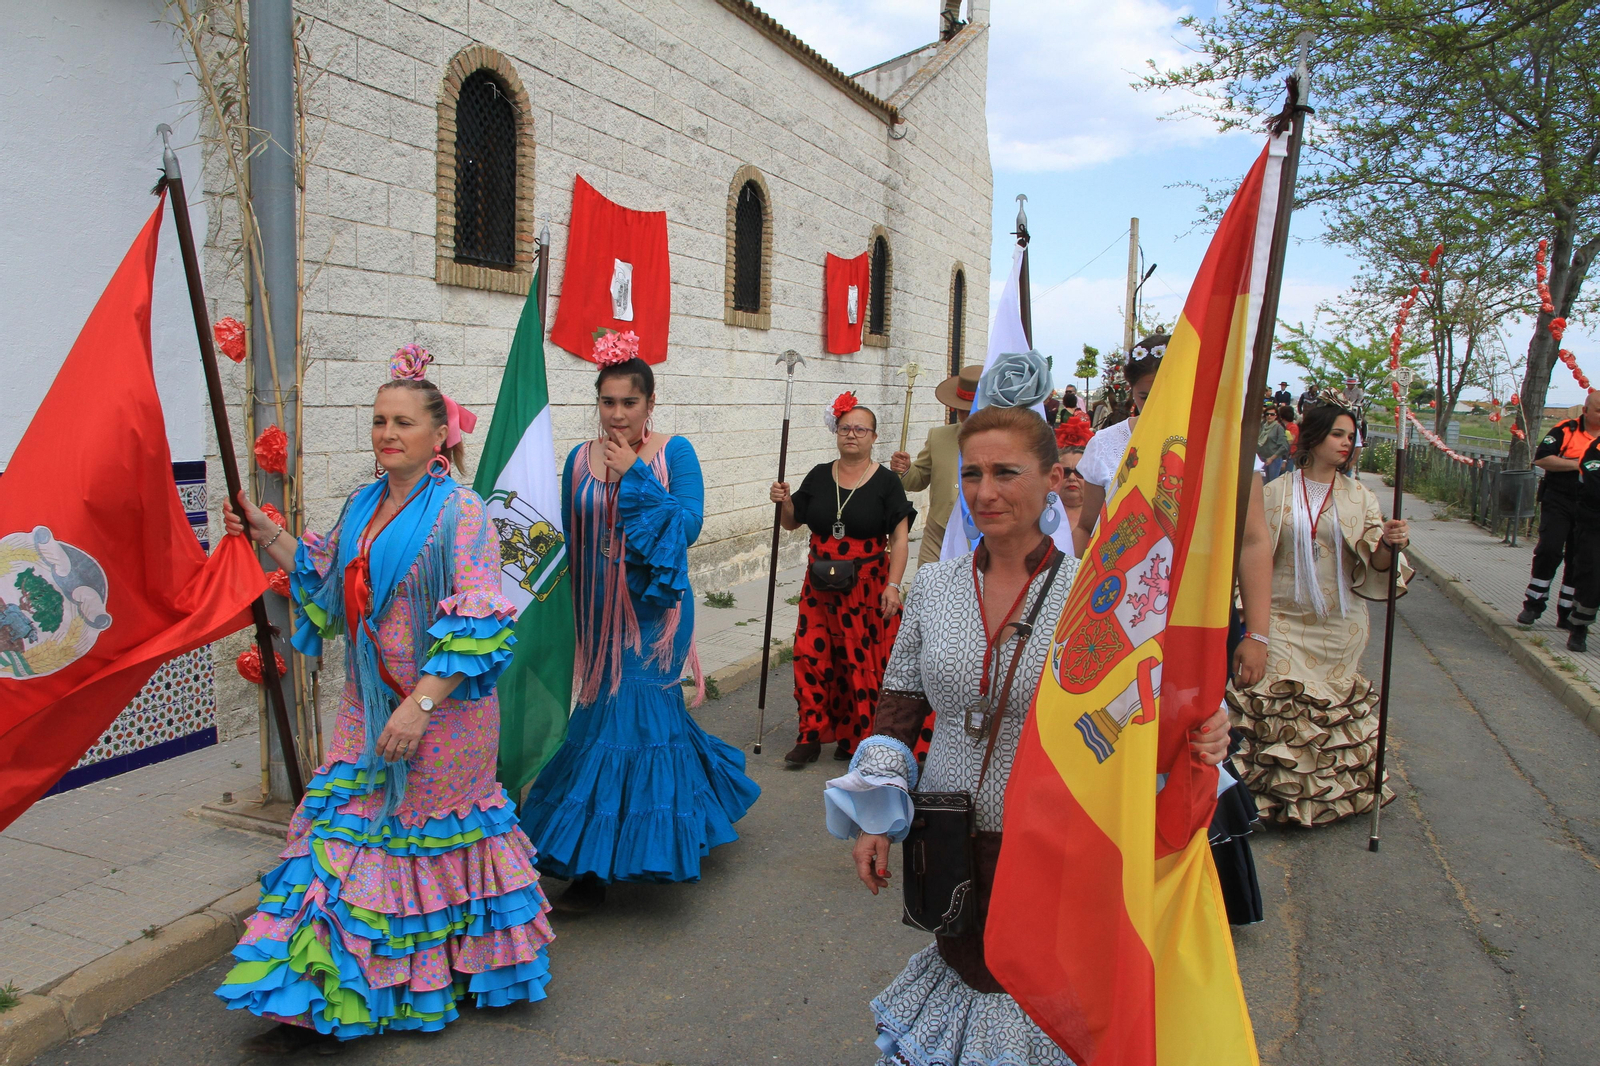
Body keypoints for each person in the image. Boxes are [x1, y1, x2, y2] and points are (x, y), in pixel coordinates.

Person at [823, 405, 1232, 1064]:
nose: (984, 491)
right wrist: (876, 816)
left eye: (1006, 473)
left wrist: (1203, 731)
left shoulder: (1095, 596)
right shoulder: (933, 586)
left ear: (1053, 481)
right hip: (948, 837)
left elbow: (1141, 713)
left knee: (1029, 995)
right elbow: (899, 704)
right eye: (972, 473)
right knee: (967, 975)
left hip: (1051, 844)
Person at [216, 356, 552, 1051]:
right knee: (343, 833)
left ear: (439, 435)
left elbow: (481, 620)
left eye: (403, 421)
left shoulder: (461, 511)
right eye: (378, 421)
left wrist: (419, 707)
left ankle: (430, 977)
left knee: (425, 840)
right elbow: (323, 576)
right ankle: (326, 989)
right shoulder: (363, 504)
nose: (387, 433)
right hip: (365, 704)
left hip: (445, 714)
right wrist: (263, 531)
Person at [519, 344, 759, 910]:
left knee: (625, 724)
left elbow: (689, 524)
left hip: (654, 617)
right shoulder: (579, 459)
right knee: (621, 722)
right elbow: (567, 537)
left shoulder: (674, 452)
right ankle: (693, 810)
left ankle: (592, 870)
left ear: (650, 403)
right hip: (598, 614)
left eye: (629, 402)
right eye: (608, 402)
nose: (618, 413)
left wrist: (636, 476)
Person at [1071, 333, 1272, 924]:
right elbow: (1086, 528)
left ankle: (1189, 893)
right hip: (1117, 622)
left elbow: (1252, 540)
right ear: (1129, 394)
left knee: (1195, 739)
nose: (1155, 402)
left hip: (1195, 622)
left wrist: (1257, 633)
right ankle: (1113, 887)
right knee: (1120, 741)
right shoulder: (1108, 445)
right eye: (1143, 394)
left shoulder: (1229, 443)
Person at [1227, 401, 1412, 826]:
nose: (1346, 443)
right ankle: (1266, 799)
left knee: (1327, 711)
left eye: (1351, 436)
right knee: (1276, 702)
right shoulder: (1273, 492)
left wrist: (1389, 544)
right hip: (1280, 616)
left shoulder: (1360, 497)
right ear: (1313, 437)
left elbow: (1376, 564)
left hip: (1339, 624)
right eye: (1337, 434)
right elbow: (1250, 551)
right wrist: (1248, 619)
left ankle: (1322, 800)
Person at [773, 393, 915, 766]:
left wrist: (894, 585)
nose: (851, 435)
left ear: (874, 437)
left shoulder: (887, 482)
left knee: (860, 661)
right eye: (845, 428)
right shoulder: (820, 474)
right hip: (819, 586)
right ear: (836, 433)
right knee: (812, 655)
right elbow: (791, 522)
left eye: (860, 429)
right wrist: (784, 502)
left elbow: (900, 539)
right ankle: (810, 735)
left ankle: (859, 737)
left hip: (867, 586)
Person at [1517, 391, 1600, 640]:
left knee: (1580, 559)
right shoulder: (1566, 430)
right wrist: (1580, 464)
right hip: (1559, 500)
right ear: (1585, 411)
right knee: (1550, 549)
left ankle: (1567, 611)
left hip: (1590, 507)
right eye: (1598, 410)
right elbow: (1542, 459)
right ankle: (1534, 603)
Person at [891, 364, 979, 568]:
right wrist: (906, 469)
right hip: (938, 534)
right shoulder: (938, 436)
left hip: (982, 535)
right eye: (962, 409)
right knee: (926, 584)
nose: (967, 415)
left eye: (973, 409)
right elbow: (918, 479)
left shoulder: (1004, 443)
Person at [1340, 376, 1367, 473]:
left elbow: (1360, 400)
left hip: (1356, 408)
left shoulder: (1359, 391)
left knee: (1364, 422)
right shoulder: (1345, 390)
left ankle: (1364, 438)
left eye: (1350, 384)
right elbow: (1343, 399)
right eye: (1348, 384)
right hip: (1346, 407)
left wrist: (1355, 404)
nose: (1349, 385)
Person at [1258, 404, 1292, 483]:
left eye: (1272, 414)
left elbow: (1284, 446)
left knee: (1272, 482)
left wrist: (1272, 458)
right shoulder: (1262, 427)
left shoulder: (1278, 428)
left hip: (1274, 459)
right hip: (1262, 458)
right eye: (1267, 414)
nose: (1269, 416)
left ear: (1276, 416)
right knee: (1262, 482)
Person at [1057, 444, 1087, 531]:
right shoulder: (1040, 512)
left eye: (1079, 472)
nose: (1072, 477)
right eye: (1066, 472)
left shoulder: (1103, 513)